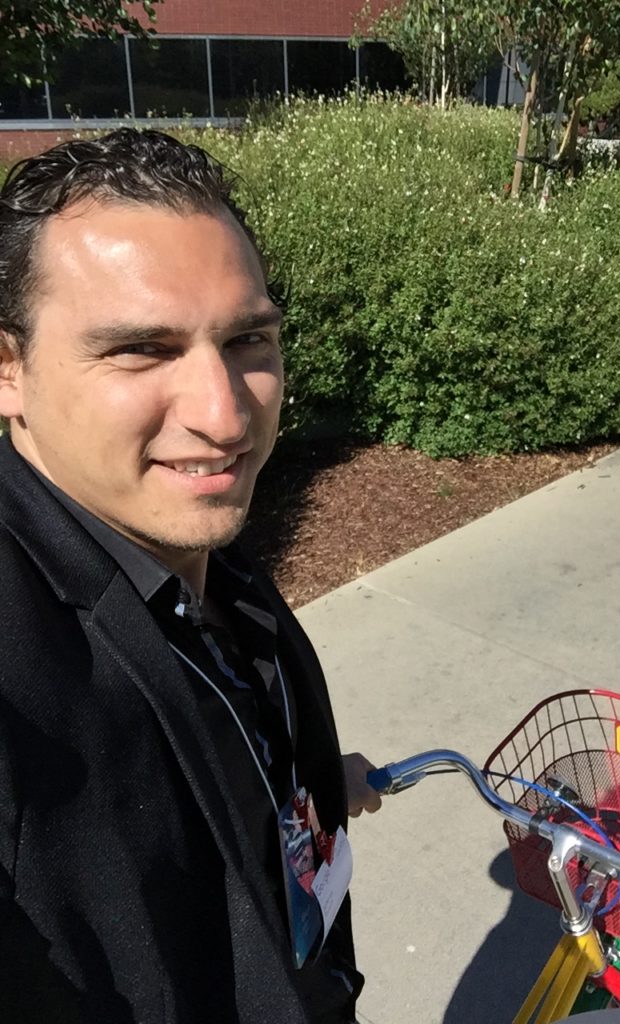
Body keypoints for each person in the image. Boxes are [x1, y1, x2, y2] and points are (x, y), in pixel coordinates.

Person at [0, 128, 381, 1023]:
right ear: (8, 368)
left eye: (249, 338)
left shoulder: (195, 550)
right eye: (140, 350)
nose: (223, 415)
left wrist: (315, 778)